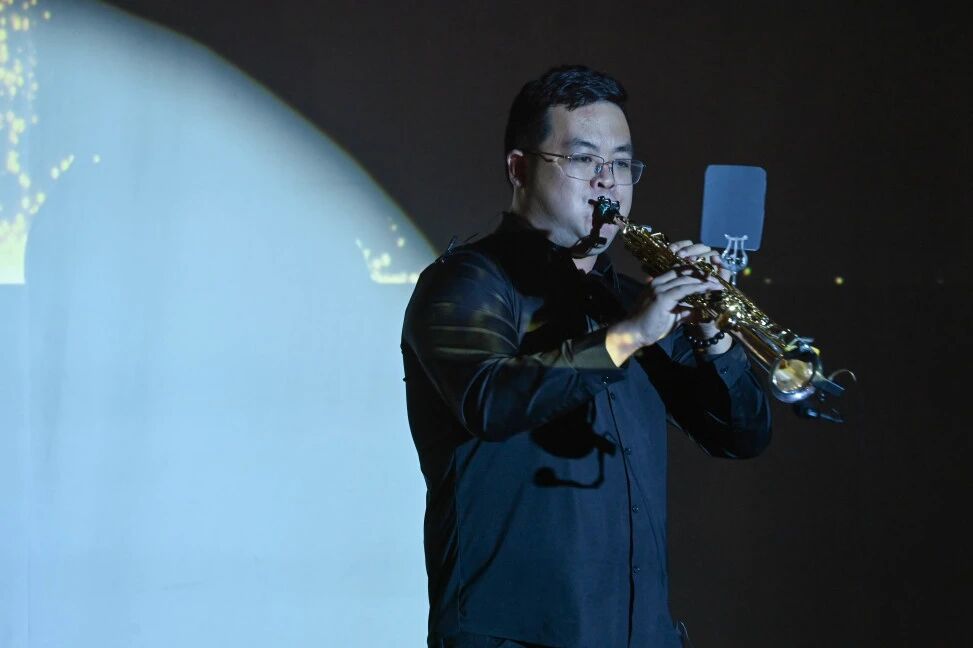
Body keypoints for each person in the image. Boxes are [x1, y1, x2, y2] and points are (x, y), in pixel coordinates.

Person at [401, 64, 772, 648]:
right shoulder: (465, 282)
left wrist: (712, 336)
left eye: (622, 164)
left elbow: (741, 436)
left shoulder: (633, 303)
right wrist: (626, 338)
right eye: (582, 159)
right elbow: (489, 400)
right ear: (519, 169)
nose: (607, 181)